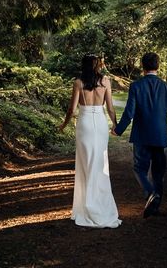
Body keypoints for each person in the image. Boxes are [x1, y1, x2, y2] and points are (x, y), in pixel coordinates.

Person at [112, 52, 167, 218]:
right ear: (157, 66)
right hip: (160, 137)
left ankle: (151, 192)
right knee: (158, 173)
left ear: (142, 67)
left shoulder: (136, 86)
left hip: (142, 136)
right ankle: (155, 205)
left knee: (139, 168)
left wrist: (118, 130)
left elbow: (129, 113)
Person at [59, 54, 122, 228]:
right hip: (100, 123)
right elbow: (109, 108)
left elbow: (71, 109)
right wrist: (116, 125)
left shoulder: (78, 82)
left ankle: (86, 206)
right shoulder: (106, 82)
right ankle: (100, 204)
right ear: (97, 66)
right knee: (100, 162)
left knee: (85, 163)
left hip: (85, 122)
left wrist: (64, 125)